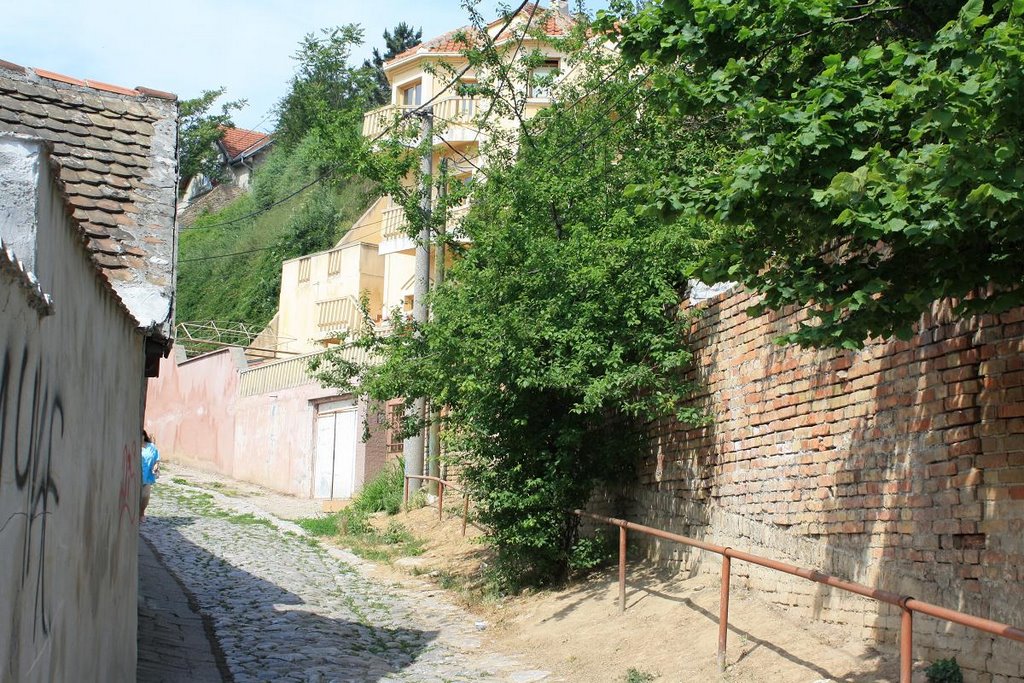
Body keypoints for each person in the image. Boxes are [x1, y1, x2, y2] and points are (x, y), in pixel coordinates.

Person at [140, 430, 160, 520]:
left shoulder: (151, 447)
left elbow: (157, 458)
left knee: (145, 496)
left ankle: (141, 513)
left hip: (147, 474)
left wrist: (156, 465)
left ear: (144, 436)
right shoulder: (135, 446)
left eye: (141, 435)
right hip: (136, 475)